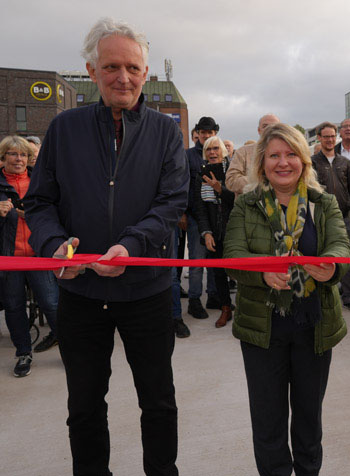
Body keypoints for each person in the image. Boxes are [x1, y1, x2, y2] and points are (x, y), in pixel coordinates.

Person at [24, 17, 188, 475]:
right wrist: (55, 244)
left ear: (145, 71)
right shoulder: (63, 129)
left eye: (133, 67)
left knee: (158, 402)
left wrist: (132, 245)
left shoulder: (165, 132)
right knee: (84, 406)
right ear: (92, 71)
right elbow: (38, 202)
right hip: (81, 295)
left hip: (147, 291)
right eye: (112, 66)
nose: (124, 77)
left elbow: (172, 201)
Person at [223, 123, 350, 476]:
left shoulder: (322, 203)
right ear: (262, 162)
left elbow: (341, 245)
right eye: (274, 155)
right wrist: (262, 273)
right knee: (268, 422)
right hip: (262, 331)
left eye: (291, 154)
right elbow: (232, 255)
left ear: (304, 160)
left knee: (309, 420)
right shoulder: (246, 205)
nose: (283, 163)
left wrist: (332, 267)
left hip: (314, 326)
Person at [0, 136, 59, 377]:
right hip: (9, 258)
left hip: (38, 255)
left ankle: (70, 349)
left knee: (52, 304)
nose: (19, 159)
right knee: (14, 308)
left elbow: (57, 210)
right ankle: (23, 353)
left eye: (23, 154)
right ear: (3, 158)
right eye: (13, 154)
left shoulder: (39, 182)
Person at [312, 121, 350, 313]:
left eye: (333, 136)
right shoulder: (312, 163)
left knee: (348, 259)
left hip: (344, 218)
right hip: (320, 219)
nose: (330, 140)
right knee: (321, 259)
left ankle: (349, 296)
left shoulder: (345, 163)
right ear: (319, 138)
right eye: (326, 136)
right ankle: (324, 297)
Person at [192, 136, 235, 328]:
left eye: (216, 148)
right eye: (208, 149)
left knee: (242, 271)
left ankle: (245, 309)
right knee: (218, 273)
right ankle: (226, 308)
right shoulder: (200, 175)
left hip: (235, 231)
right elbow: (199, 208)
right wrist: (206, 233)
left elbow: (239, 200)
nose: (212, 152)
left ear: (223, 151)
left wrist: (220, 189)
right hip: (214, 232)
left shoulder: (233, 172)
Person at [185, 116, 220, 318]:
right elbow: (181, 184)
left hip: (216, 216)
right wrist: (182, 212)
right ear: (197, 133)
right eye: (203, 132)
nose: (206, 136)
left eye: (210, 132)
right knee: (197, 261)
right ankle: (194, 300)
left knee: (215, 260)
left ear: (215, 133)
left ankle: (214, 295)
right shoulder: (188, 156)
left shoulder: (220, 154)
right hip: (195, 215)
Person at [225, 113, 280, 196]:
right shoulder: (243, 152)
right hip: (249, 206)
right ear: (259, 130)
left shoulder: (289, 151)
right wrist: (262, 183)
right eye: (265, 126)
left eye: (274, 126)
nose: (269, 129)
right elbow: (231, 180)